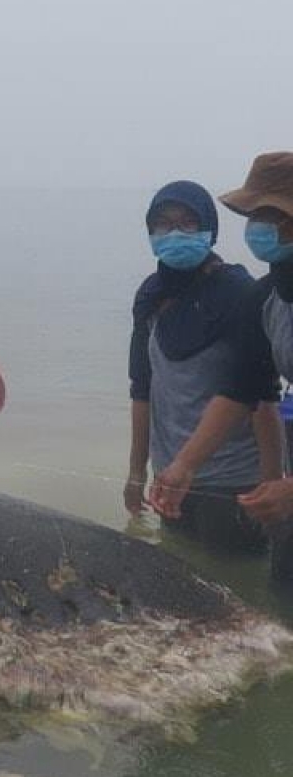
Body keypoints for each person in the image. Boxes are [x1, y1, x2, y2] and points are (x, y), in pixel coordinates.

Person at [126, 180, 282, 552]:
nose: (174, 233)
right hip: (171, 478)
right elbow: (142, 389)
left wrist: (271, 481)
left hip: (233, 483)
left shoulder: (241, 293)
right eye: (162, 224)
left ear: (209, 229)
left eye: (187, 223)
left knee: (241, 592)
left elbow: (260, 397)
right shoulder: (150, 296)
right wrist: (136, 471)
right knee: (179, 585)